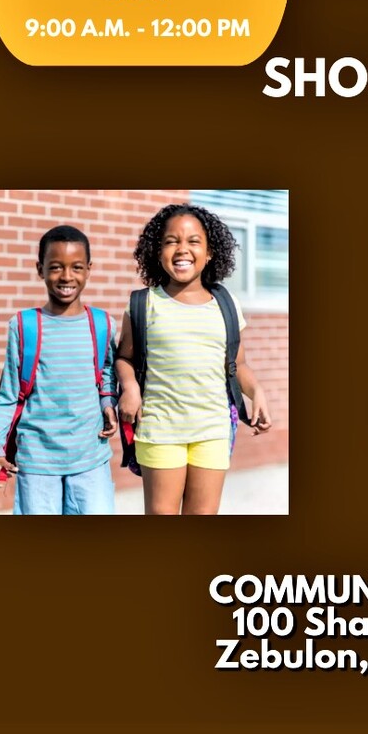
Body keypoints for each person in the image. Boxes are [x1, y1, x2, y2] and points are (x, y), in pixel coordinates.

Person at [116, 204, 271, 515]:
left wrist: (257, 393)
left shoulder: (226, 304)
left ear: (210, 252)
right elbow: (124, 357)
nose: (181, 249)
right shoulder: (143, 304)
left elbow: (237, 364)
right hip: (160, 429)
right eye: (171, 241)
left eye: (193, 241)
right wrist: (130, 387)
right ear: (157, 251)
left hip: (212, 430)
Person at [0, 225, 118, 515]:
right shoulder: (23, 325)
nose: (67, 277)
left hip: (90, 459)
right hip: (37, 463)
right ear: (40, 269)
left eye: (76, 267)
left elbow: (107, 371)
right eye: (56, 267)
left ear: (89, 269)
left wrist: (108, 403)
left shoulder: (103, 323)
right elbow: (8, 393)